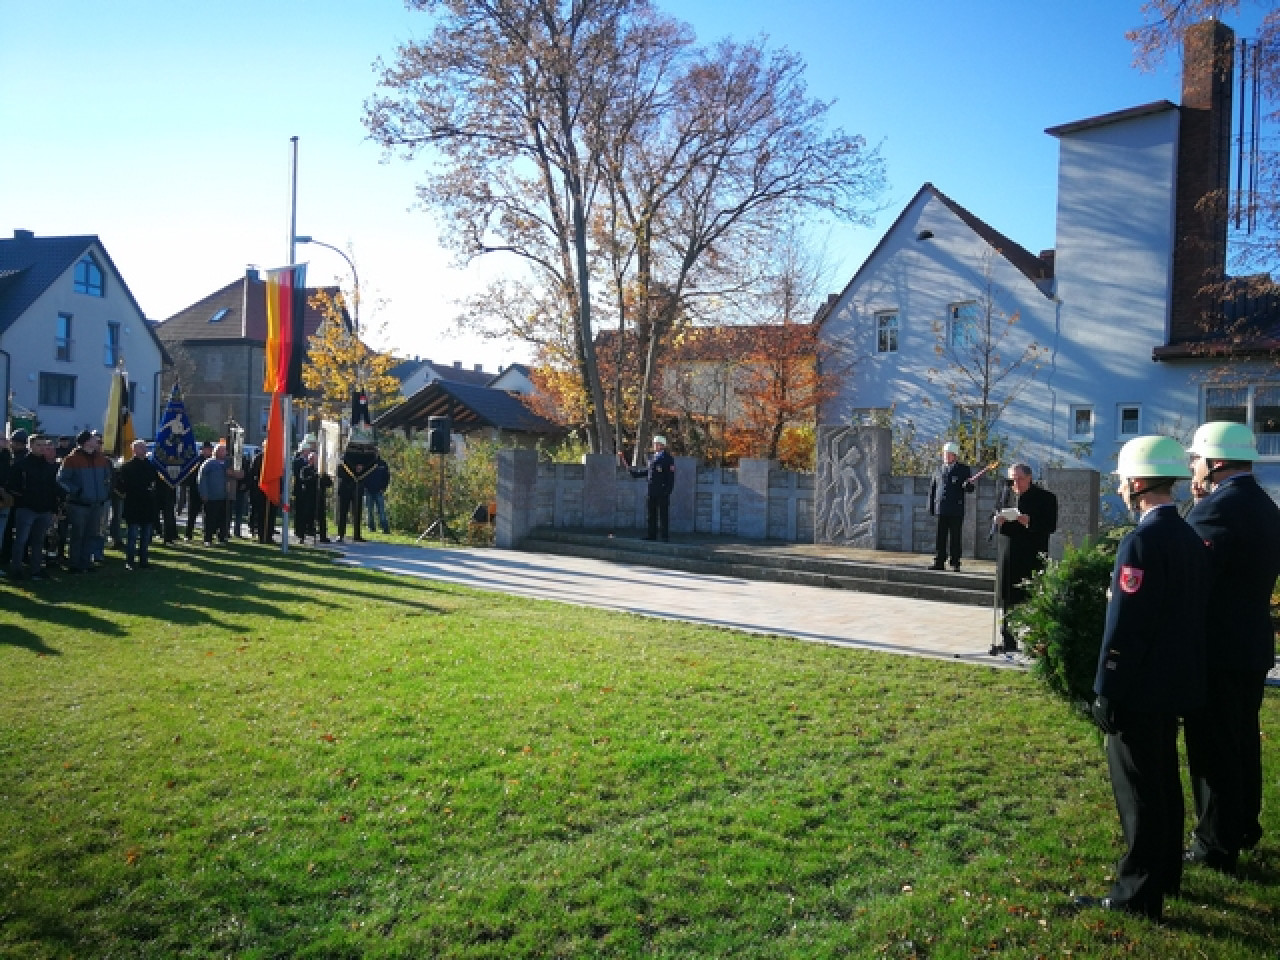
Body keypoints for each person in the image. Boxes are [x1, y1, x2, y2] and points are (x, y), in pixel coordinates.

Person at [1073, 436, 1209, 921]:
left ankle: (1137, 892)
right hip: (1173, 681)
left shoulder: (1141, 541)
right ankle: (1165, 871)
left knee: (1138, 791)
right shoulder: (1188, 536)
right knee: (1163, 782)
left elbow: (1126, 623)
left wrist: (1107, 687)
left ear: (1135, 484)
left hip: (1140, 685)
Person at [1182, 421, 1280, 873]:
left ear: (1215, 462)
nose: (1193, 467)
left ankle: (1216, 843)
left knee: (1214, 747)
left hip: (1217, 649)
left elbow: (1189, 572)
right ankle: (1242, 825)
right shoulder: (1262, 503)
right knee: (1241, 741)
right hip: (1251, 643)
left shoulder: (1217, 509)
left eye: (1197, 459)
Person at [992, 462, 1058, 655]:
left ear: (1029, 477)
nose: (1016, 483)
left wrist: (1030, 521)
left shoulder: (1045, 498)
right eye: (1013, 479)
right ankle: (1008, 640)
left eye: (1019, 479)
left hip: (1031, 553)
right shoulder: (1006, 495)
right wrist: (998, 521)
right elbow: (995, 515)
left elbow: (1050, 525)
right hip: (1008, 553)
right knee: (1008, 599)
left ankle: (1037, 642)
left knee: (1033, 598)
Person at [57, 429, 112, 573]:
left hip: (97, 503)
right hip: (78, 505)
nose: (97, 441)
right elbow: (62, 479)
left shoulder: (101, 459)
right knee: (77, 535)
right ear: (86, 442)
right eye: (94, 439)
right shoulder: (71, 459)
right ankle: (74, 564)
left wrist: (105, 492)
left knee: (91, 534)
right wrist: (77, 491)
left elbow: (108, 478)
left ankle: (86, 563)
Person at [7, 435, 60, 580]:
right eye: (38, 445)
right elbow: (11, 486)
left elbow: (53, 489)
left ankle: (36, 570)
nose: (42, 448)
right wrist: (23, 498)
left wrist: (54, 509)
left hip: (44, 509)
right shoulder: (21, 465)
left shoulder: (49, 467)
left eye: (44, 445)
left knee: (39, 541)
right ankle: (16, 569)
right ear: (30, 446)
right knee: (21, 540)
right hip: (26, 508)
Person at [619, 434, 676, 541]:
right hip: (652, 490)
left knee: (663, 514)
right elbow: (649, 471)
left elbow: (670, 477)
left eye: (656, 444)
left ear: (662, 445)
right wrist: (635, 473)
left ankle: (664, 536)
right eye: (654, 444)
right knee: (651, 514)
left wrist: (668, 491)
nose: (654, 446)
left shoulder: (668, 459)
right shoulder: (653, 457)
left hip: (662, 491)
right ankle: (651, 535)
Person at [928, 441, 974, 571]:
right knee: (940, 537)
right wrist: (931, 506)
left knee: (955, 537)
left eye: (949, 454)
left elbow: (969, 488)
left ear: (955, 456)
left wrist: (968, 485)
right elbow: (933, 489)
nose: (946, 457)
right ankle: (939, 561)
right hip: (941, 508)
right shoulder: (938, 469)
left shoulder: (963, 469)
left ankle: (955, 562)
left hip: (955, 509)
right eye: (944, 454)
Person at [116, 439, 158, 570]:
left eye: (145, 447)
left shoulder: (151, 467)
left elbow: (155, 483)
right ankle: (130, 561)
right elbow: (120, 486)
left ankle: (144, 560)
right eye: (140, 447)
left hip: (147, 504)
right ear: (134, 450)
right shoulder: (127, 467)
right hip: (133, 504)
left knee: (146, 536)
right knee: (132, 535)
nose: (144, 449)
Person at [196, 442, 234, 545]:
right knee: (210, 519)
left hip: (224, 497)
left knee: (222, 519)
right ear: (215, 452)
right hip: (211, 497)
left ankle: (222, 537)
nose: (223, 452)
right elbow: (201, 479)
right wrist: (204, 493)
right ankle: (208, 538)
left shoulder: (227, 464)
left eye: (224, 450)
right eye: (221, 450)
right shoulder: (209, 464)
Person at [184, 440, 213, 540]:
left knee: (208, 514)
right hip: (195, 490)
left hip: (208, 491)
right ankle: (188, 534)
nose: (208, 451)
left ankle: (207, 535)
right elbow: (190, 476)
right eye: (207, 449)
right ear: (202, 450)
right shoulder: (196, 461)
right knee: (192, 514)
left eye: (210, 449)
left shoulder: (212, 461)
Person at [364, 452, 392, 535]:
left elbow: (387, 477)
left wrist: (384, 488)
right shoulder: (368, 463)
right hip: (368, 491)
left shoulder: (383, 464)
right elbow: (363, 476)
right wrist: (365, 487)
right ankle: (371, 527)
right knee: (369, 511)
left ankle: (385, 528)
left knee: (381, 511)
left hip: (379, 491)